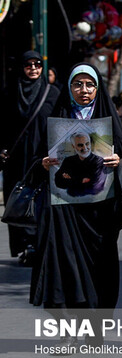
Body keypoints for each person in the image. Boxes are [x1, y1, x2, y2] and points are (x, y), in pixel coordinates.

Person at [30, 63, 122, 349]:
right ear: (69, 88)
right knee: (66, 267)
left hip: (100, 214)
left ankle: (96, 330)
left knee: (101, 269)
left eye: (89, 85)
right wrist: (43, 163)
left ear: (97, 88)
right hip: (65, 212)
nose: (84, 91)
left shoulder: (108, 119)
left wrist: (118, 160)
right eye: (77, 84)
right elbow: (37, 162)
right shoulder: (56, 118)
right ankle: (69, 331)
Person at [0, 50, 60, 266]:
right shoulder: (10, 92)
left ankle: (39, 244)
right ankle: (25, 246)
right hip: (16, 159)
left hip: (42, 159)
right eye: (28, 65)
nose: (33, 68)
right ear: (22, 68)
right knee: (18, 200)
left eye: (37, 64)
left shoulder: (52, 94)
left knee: (41, 201)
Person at [54, 132, 107, 197]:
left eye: (87, 144)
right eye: (80, 145)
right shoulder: (68, 161)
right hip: (70, 204)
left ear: (90, 143)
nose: (85, 148)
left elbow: (95, 188)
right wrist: (81, 180)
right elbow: (58, 182)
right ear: (73, 146)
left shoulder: (99, 161)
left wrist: (70, 179)